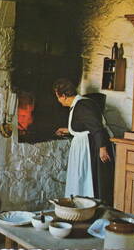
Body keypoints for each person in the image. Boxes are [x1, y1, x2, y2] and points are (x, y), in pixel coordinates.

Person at [53, 78, 115, 206]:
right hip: (85, 143)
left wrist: (102, 148)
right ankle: (79, 205)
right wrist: (69, 130)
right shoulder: (80, 104)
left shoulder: (82, 105)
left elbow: (96, 127)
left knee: (87, 178)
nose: (58, 100)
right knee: (80, 178)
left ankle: (87, 206)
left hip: (89, 147)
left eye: (57, 97)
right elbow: (85, 126)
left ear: (63, 96)